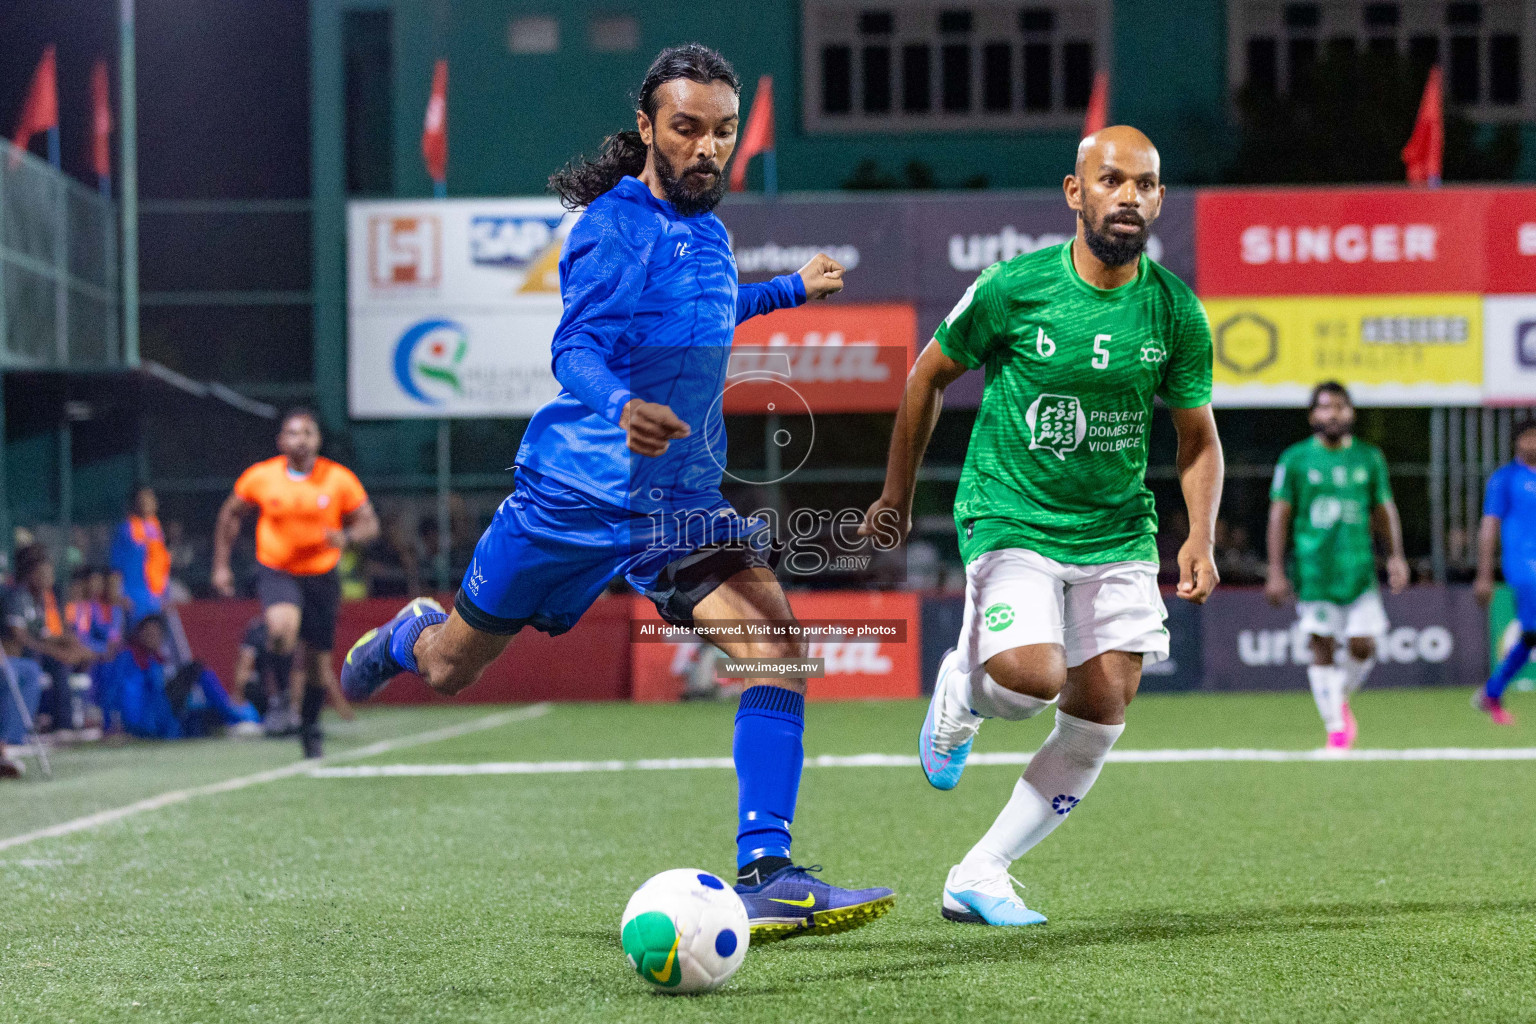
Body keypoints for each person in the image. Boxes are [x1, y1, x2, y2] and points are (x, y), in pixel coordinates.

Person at [340, 44, 895, 942]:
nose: (707, 148)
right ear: (647, 128)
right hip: (572, 495)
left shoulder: (708, 231)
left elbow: (710, 312)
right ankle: (411, 633)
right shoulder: (611, 227)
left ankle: (768, 871)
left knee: (778, 647)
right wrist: (620, 403)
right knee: (453, 668)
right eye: (687, 129)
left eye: (721, 131)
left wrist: (794, 288)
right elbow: (576, 349)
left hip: (676, 503)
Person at [862, 127, 1223, 927]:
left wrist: (1198, 534)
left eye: (1146, 184)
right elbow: (927, 377)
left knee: (1102, 711)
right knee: (1028, 681)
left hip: (1117, 532)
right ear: (1076, 193)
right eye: (1112, 180)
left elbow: (1197, 438)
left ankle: (979, 873)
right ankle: (964, 683)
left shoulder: (1175, 310)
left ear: (1160, 199)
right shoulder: (1012, 287)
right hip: (1012, 512)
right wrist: (896, 494)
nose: (1129, 196)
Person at [211, 408, 379, 757]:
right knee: (280, 630)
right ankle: (282, 700)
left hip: (321, 574)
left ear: (317, 439)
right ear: (281, 441)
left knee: (318, 663)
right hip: (277, 569)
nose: (300, 440)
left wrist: (347, 537)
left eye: (307, 433)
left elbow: (369, 524)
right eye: (293, 433)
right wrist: (221, 565)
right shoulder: (261, 477)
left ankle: (309, 723)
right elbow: (230, 514)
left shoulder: (338, 479)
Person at [1266, 382, 1408, 749]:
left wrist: (1395, 556)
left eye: (1341, 407)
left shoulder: (1368, 457)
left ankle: (1336, 697)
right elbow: (1280, 515)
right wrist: (1276, 570)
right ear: (1313, 415)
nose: (1334, 414)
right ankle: (1336, 729)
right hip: (1314, 571)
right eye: (1326, 407)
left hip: (1359, 570)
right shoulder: (1295, 458)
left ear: (1351, 413)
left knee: (1363, 646)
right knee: (1322, 646)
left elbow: (1383, 509)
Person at [95, 615, 259, 740]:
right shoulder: (133, 658)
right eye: (149, 633)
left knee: (201, 706)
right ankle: (236, 717)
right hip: (151, 720)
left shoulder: (156, 659)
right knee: (197, 669)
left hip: (163, 716)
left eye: (157, 634)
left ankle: (235, 718)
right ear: (140, 634)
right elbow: (130, 696)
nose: (153, 638)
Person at [1472, 420, 1536, 724]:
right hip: (1525, 566)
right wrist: (1484, 573)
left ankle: (1492, 692)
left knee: (1531, 635)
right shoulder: (1505, 479)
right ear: (1516, 442)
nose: (1532, 443)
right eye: (1527, 438)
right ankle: (1491, 692)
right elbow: (1489, 525)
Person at [4, 544, 96, 734]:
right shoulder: (18, 595)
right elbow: (20, 636)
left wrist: (72, 644)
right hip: (15, 653)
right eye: (44, 574)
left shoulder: (40, 598)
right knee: (45, 663)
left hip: (32, 651)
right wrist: (57, 651)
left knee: (65, 662)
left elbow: (44, 633)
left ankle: (65, 725)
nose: (50, 578)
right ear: (31, 574)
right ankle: (23, 730)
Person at [111, 486, 172, 623]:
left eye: (149, 499)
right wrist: (119, 596)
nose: (146, 503)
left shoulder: (158, 530)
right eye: (142, 499)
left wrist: (166, 596)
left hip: (156, 599)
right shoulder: (126, 529)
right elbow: (116, 567)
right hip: (133, 597)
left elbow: (162, 567)